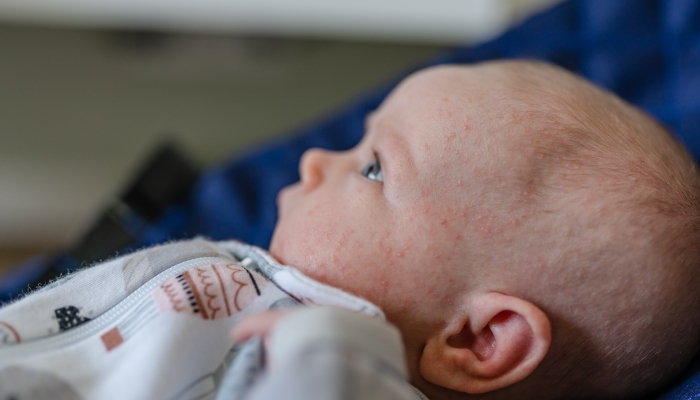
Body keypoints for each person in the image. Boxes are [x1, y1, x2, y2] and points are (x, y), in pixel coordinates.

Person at [0, 60, 698, 400]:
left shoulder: (343, 370)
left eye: (372, 169)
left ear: (476, 341)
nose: (316, 160)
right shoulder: (273, 283)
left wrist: (326, 363)